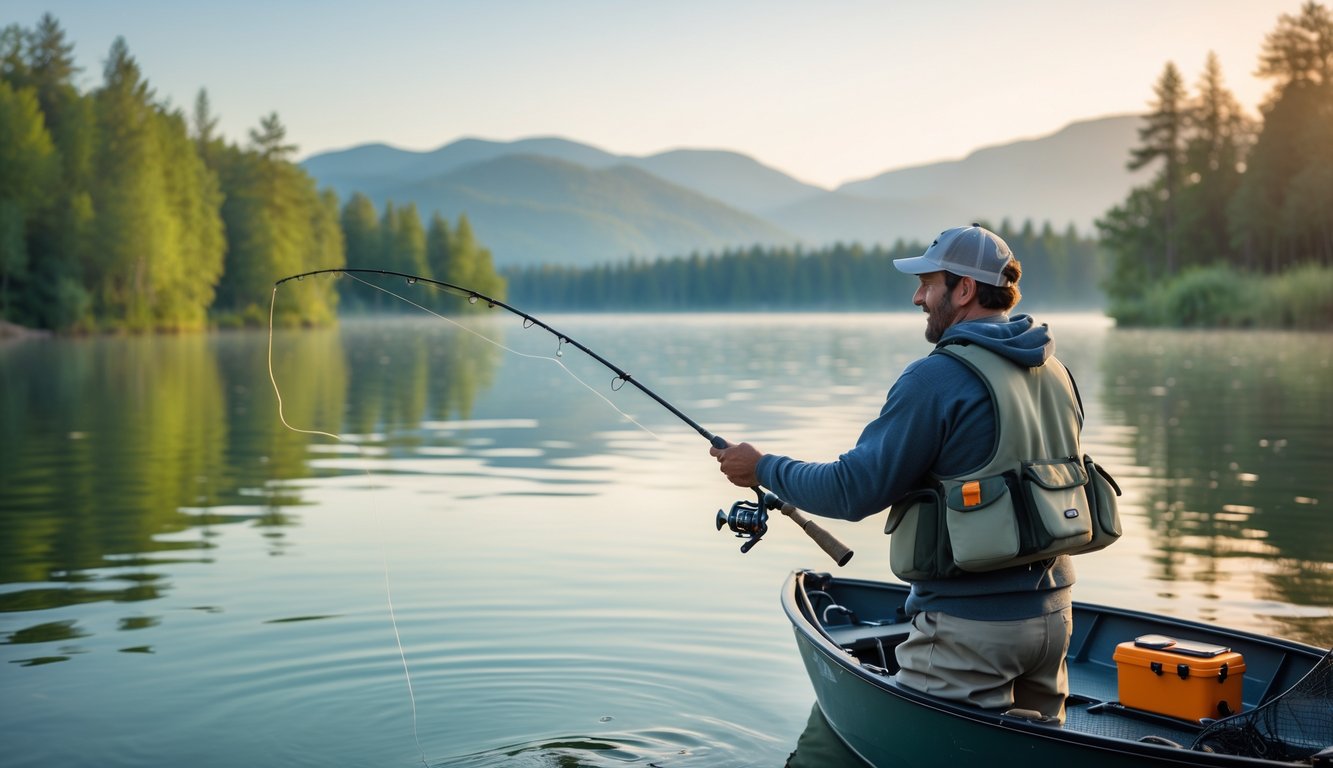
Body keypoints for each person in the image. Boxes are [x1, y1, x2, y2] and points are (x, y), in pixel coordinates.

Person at [710, 224, 1079, 723]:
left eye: (928, 284)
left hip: (971, 631)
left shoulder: (937, 376)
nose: (917, 297)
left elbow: (852, 491)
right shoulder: (1056, 371)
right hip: (1055, 617)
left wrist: (762, 467)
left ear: (964, 289)